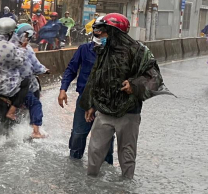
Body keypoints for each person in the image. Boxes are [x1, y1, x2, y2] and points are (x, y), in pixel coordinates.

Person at [80, 13, 171, 179]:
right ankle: (90, 184)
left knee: (127, 156)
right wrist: (90, 104)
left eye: (105, 31)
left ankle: (126, 190)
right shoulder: (103, 51)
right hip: (104, 111)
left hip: (129, 113)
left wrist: (134, 85)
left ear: (116, 32)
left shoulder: (139, 52)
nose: (101, 35)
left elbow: (155, 78)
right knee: (94, 151)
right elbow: (96, 77)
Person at [59, 20, 114, 164]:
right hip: (84, 99)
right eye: (99, 30)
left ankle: (106, 168)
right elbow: (71, 69)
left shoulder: (116, 53)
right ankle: (73, 166)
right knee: (78, 134)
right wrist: (63, 89)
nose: (102, 34)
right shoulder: (84, 49)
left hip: (106, 102)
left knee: (106, 140)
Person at [13, 24, 48, 139]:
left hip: (1, 84)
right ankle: (36, 131)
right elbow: (36, 66)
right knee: (35, 103)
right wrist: (44, 70)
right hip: (19, 86)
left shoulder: (5, 46)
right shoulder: (26, 49)